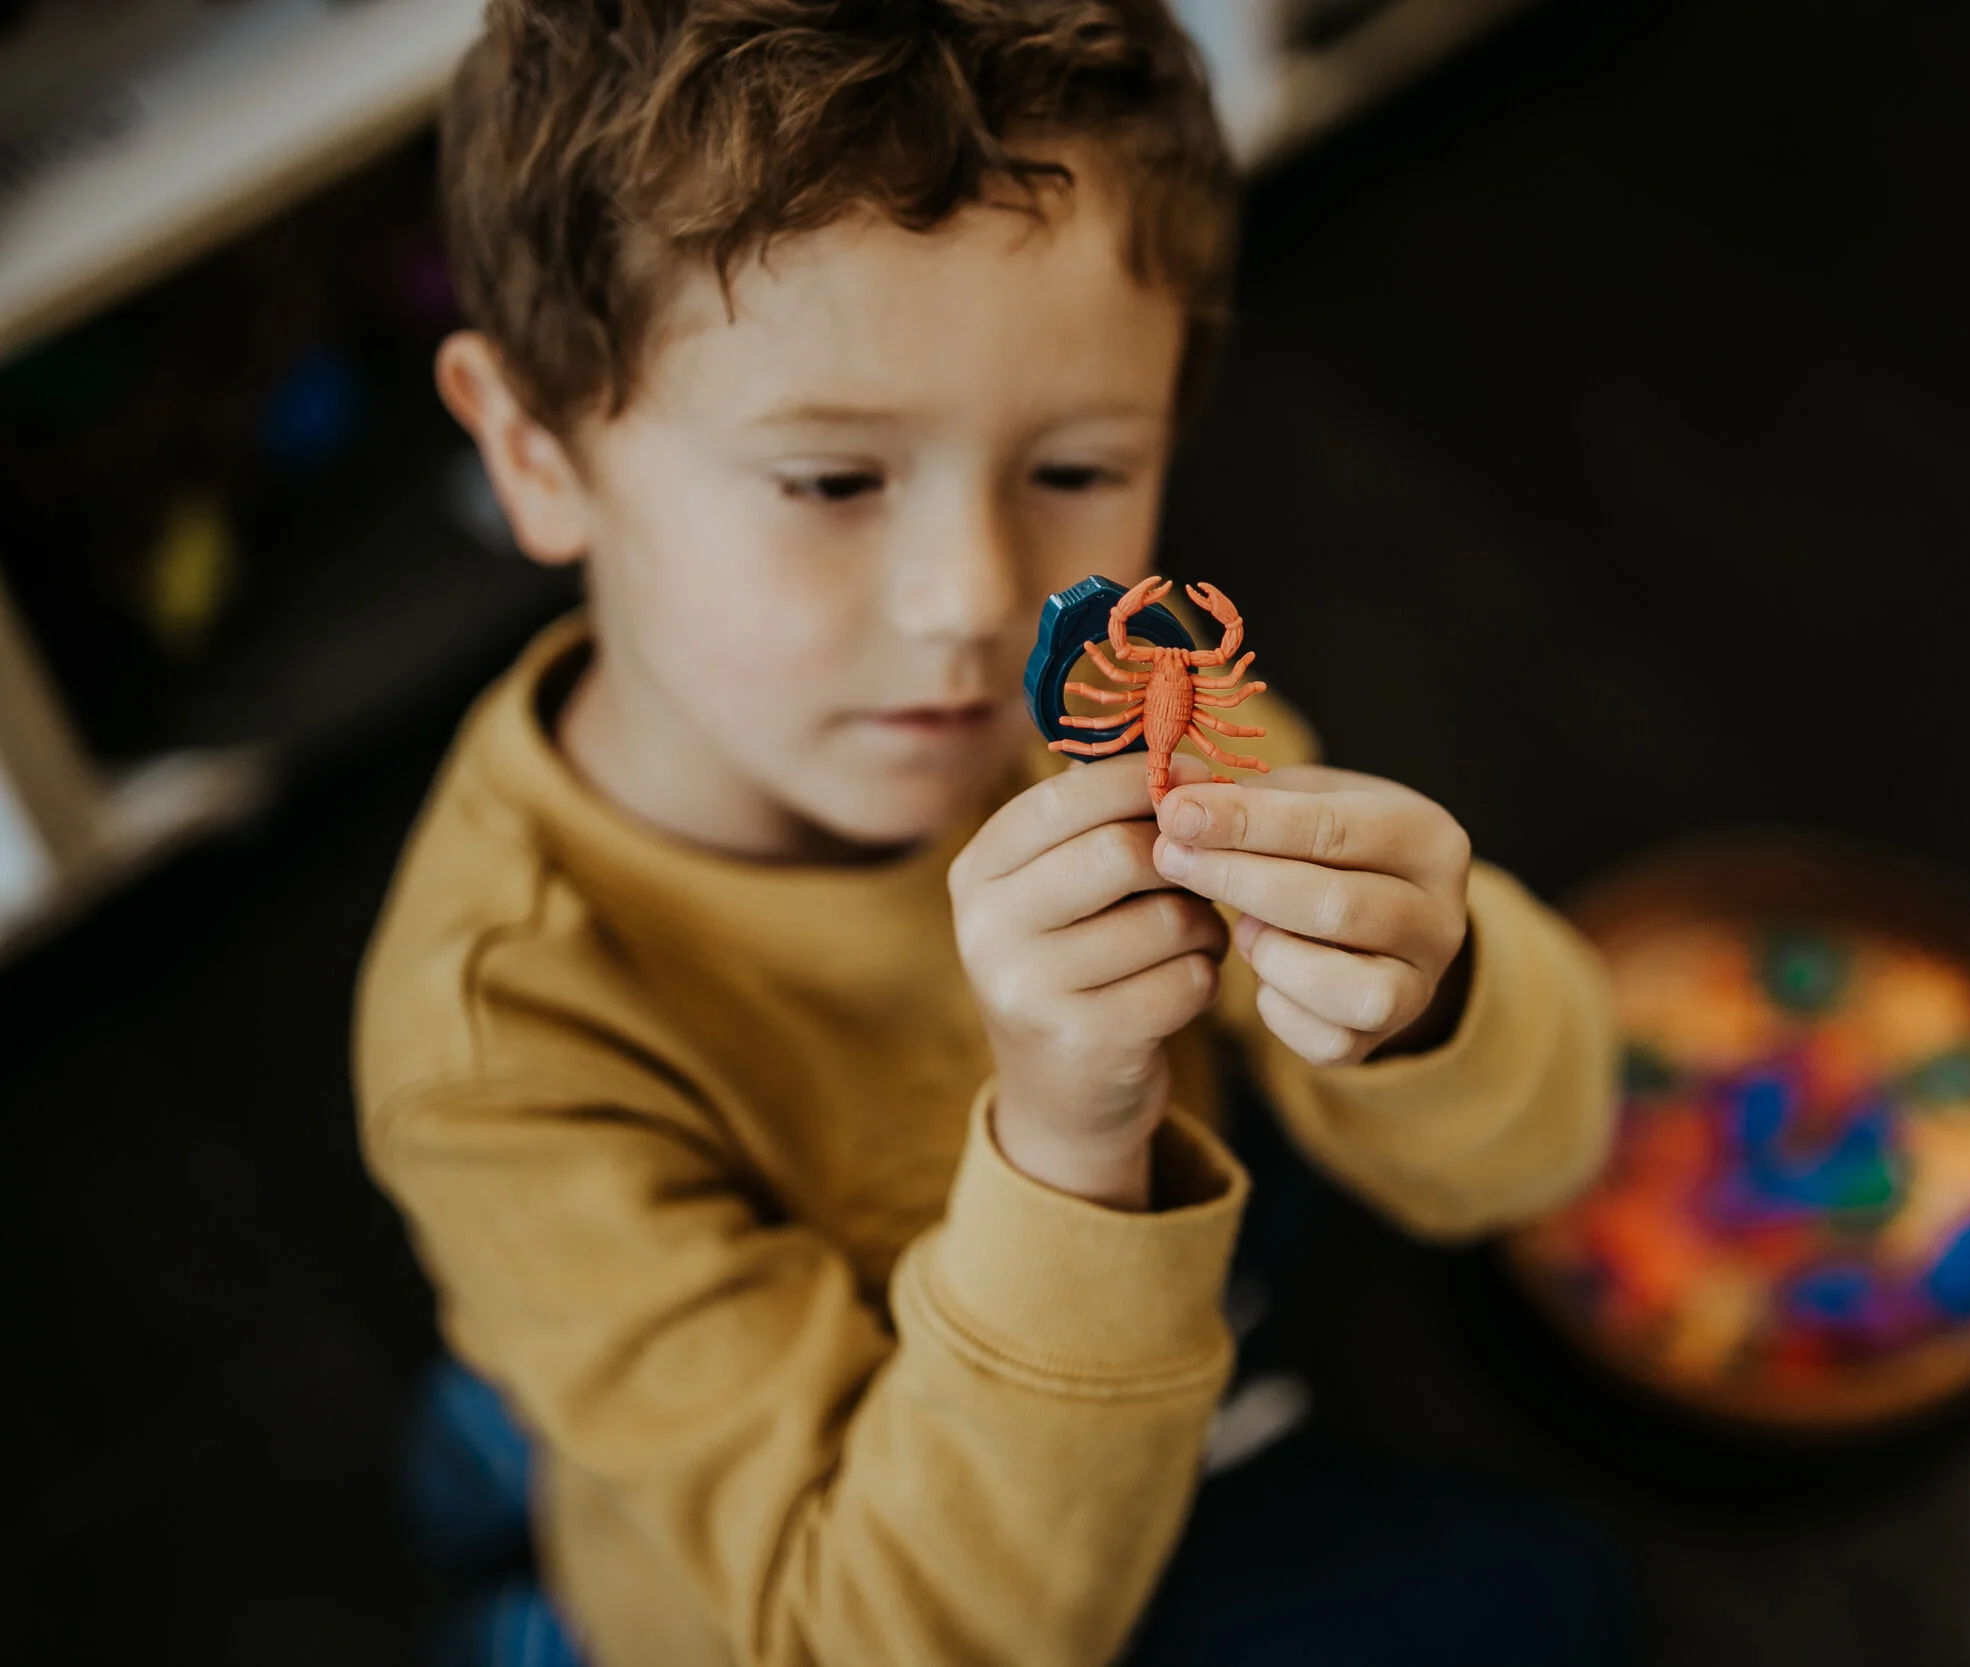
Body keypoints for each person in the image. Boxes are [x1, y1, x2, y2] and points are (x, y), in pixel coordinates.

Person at [356, 3, 1620, 1663]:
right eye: (829, 481)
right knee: (1550, 1610)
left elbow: (1547, 1145)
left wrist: (1439, 995)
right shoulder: (500, 1042)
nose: (976, 604)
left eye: (1082, 464)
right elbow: (888, 1638)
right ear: (535, 451)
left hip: (1058, 1366)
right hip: (891, 1592)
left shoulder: (1106, 708)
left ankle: (509, 1429)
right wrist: (1074, 1149)